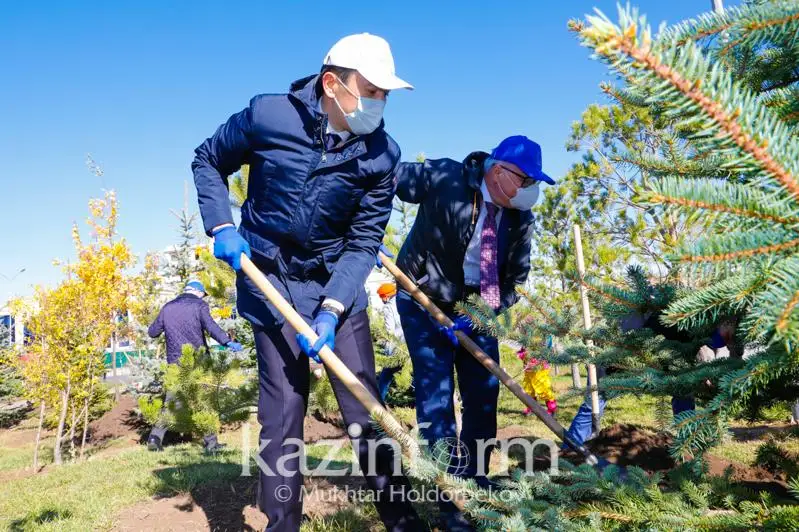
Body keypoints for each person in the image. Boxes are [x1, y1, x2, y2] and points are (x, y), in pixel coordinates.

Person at [191, 33, 421, 531]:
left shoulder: (382, 157)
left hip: (333, 285)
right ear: (332, 82)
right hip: (267, 280)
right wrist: (221, 225)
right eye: (373, 90)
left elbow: (363, 243)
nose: (379, 103)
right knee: (282, 419)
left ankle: (405, 523)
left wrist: (333, 308)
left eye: (386, 94)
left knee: (367, 415)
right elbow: (208, 158)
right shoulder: (268, 116)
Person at [393, 135, 554, 531]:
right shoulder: (445, 176)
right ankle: (449, 497)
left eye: (534, 185)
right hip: (422, 297)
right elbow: (385, 178)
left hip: (476, 309)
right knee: (436, 396)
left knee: (484, 393)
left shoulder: (519, 220)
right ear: (498, 172)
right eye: (526, 181)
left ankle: (476, 488)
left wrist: (484, 313)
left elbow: (514, 280)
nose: (530, 192)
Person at [146, 280, 243, 453]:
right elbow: (211, 327)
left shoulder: (168, 307)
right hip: (199, 362)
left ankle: (154, 438)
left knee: (171, 403)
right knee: (205, 402)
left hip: (175, 363)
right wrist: (227, 342)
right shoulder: (199, 305)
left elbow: (152, 332)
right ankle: (211, 444)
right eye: (203, 294)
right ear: (198, 293)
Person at [376, 282, 405, 400]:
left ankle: (378, 402)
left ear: (386, 296)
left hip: (396, 348)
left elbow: (389, 330)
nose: (382, 300)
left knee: (385, 376)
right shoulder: (402, 301)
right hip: (409, 345)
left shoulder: (388, 307)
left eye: (381, 297)